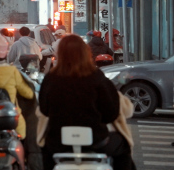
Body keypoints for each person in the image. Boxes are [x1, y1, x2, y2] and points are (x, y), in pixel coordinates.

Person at [39, 34, 133, 170]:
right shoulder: (97, 77)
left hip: (58, 141)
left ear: (61, 54)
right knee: (123, 147)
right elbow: (111, 113)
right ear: (85, 53)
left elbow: (44, 110)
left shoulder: (50, 79)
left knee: (45, 154)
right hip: (96, 140)